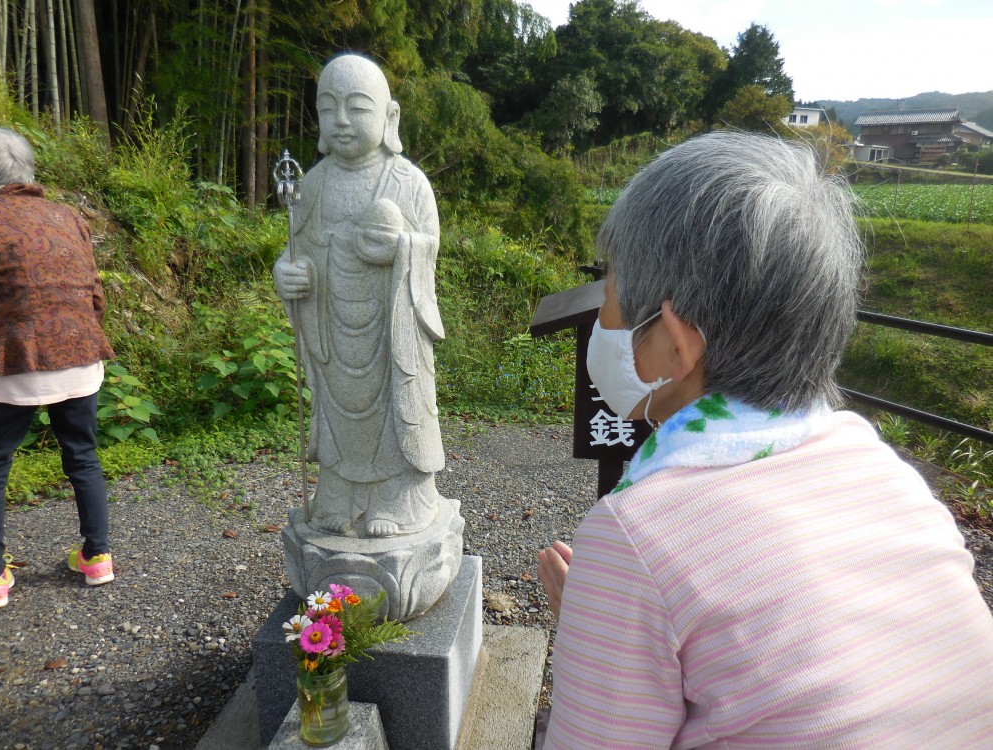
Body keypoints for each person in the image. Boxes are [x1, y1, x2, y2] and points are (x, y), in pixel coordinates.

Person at [537, 130, 993, 748]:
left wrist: (602, 625)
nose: (602, 317)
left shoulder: (637, 535)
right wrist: (616, 629)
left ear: (676, 340)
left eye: (612, 293)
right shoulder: (882, 467)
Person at [273, 54, 445, 538]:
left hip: (392, 334)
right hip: (331, 332)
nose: (342, 120)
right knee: (335, 412)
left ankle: (400, 498)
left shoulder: (408, 181)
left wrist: (403, 250)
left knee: (397, 410)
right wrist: (286, 276)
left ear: (389, 117)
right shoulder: (314, 182)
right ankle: (338, 496)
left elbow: (429, 246)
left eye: (357, 107)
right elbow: (297, 250)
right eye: (329, 108)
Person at [0, 127, 116, 609]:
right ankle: (97, 557)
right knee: (82, 455)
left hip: (12, 365)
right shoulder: (67, 217)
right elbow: (95, 294)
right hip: (79, 359)